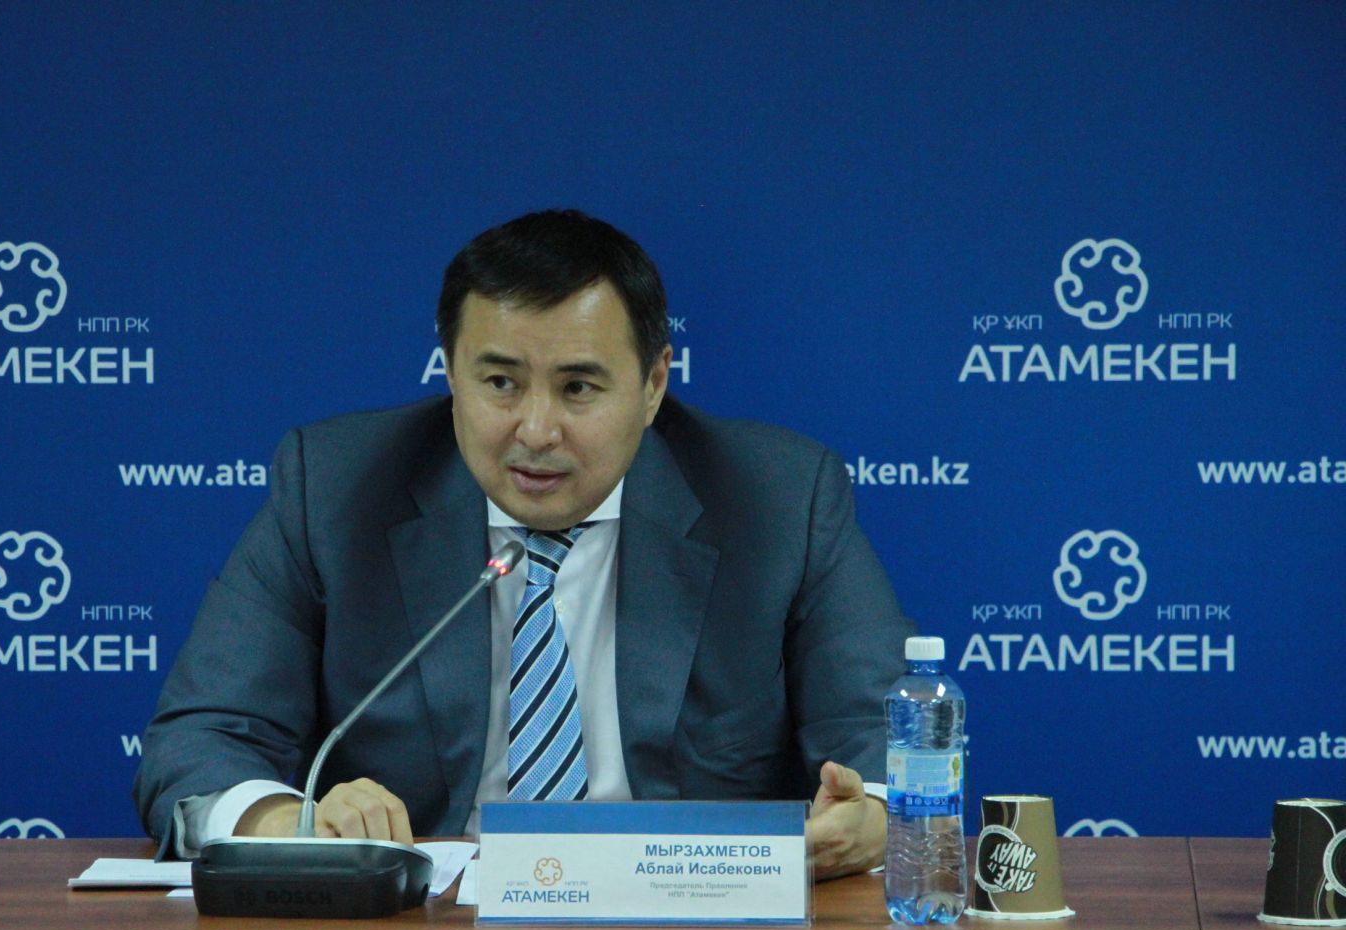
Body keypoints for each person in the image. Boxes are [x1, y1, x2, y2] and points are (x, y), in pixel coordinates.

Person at [134, 209, 914, 879]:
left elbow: (883, 732)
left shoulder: (778, 498)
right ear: (450, 371)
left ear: (653, 385)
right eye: (501, 383)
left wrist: (875, 813)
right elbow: (201, 739)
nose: (536, 431)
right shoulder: (335, 489)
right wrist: (290, 822)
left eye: (578, 388)